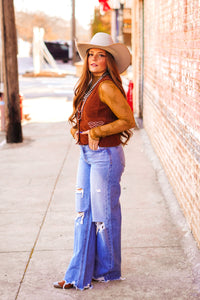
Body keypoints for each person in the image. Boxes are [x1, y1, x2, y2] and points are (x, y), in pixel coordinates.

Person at [53, 32, 136, 290]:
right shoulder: (89, 84)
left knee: (104, 216)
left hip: (106, 158)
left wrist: (96, 132)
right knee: (84, 213)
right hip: (88, 155)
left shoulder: (108, 86)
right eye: (91, 54)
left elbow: (128, 121)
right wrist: (77, 130)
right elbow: (85, 118)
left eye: (101, 55)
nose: (94, 58)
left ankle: (108, 271)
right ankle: (79, 273)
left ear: (108, 60)